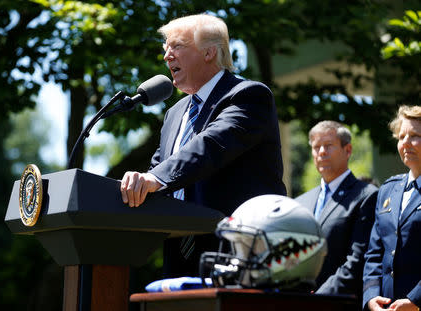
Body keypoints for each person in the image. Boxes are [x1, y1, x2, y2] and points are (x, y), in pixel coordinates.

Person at [119, 14, 286, 277]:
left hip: (240, 253)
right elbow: (160, 169)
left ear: (209, 52)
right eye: (165, 49)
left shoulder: (248, 96)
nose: (167, 56)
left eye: (177, 46)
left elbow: (211, 145)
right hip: (179, 257)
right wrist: (136, 185)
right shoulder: (175, 113)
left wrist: (153, 178)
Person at [295, 121, 378, 300]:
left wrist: (319, 298)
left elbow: (357, 260)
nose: (321, 152)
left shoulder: (366, 196)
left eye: (328, 146)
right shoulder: (300, 202)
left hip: (337, 302)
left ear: (348, 150)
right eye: (316, 147)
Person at [363, 106, 421, 311]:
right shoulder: (388, 190)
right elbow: (374, 253)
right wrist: (371, 297)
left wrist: (416, 300)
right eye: (401, 136)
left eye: (414, 136)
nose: (405, 143)